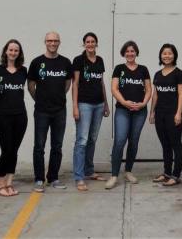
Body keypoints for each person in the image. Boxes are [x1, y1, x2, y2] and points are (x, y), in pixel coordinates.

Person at [28, 31, 72, 192]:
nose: (52, 43)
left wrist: (58, 97)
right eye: (49, 40)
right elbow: (31, 85)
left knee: (57, 146)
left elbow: (67, 83)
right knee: (39, 146)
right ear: (45, 42)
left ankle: (53, 177)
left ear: (59, 42)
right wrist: (40, 99)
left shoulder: (66, 62)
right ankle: (39, 179)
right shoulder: (36, 62)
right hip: (41, 111)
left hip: (60, 110)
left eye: (55, 41)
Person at [105, 41, 151, 190]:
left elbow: (149, 89)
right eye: (127, 51)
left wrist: (143, 103)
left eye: (132, 51)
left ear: (136, 52)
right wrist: (124, 102)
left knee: (134, 141)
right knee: (119, 140)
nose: (130, 53)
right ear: (124, 53)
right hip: (123, 110)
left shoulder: (143, 69)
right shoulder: (119, 69)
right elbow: (114, 89)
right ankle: (114, 175)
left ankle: (128, 171)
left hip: (140, 111)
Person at [72, 32, 110, 191]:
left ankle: (89, 170)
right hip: (84, 105)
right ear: (84, 44)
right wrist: (75, 106)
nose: (90, 44)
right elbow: (75, 84)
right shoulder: (78, 60)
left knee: (92, 139)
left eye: (93, 41)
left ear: (96, 43)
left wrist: (106, 104)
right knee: (82, 140)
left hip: (99, 104)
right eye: (87, 42)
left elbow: (101, 83)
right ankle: (79, 177)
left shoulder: (100, 60)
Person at [0, 39, 28, 197]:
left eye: (16, 50)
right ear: (5, 51)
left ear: (19, 53)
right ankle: (0, 184)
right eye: (11, 50)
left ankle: (9, 183)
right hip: (3, 116)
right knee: (6, 150)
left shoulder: (24, 71)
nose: (13, 53)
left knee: (14, 151)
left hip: (20, 116)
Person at [149, 43, 182, 186]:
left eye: (170, 53)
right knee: (165, 144)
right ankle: (167, 173)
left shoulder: (179, 73)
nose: (167, 56)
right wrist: (152, 112)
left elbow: (181, 94)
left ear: (174, 55)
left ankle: (175, 175)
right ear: (161, 56)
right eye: (164, 53)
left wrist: (178, 113)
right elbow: (155, 95)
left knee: (176, 144)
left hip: (173, 114)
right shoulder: (157, 74)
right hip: (160, 114)